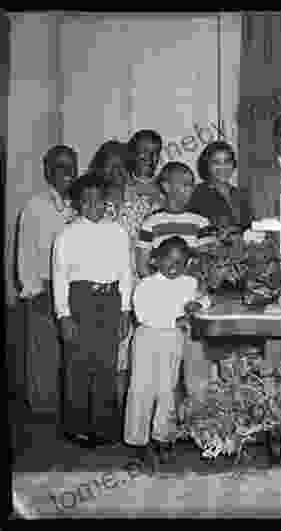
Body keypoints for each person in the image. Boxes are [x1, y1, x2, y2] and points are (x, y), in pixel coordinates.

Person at [52, 171, 133, 447]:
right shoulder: (66, 235)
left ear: (106, 202)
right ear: (77, 204)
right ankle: (76, 426)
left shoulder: (118, 231)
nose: (93, 207)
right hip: (80, 301)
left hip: (110, 301)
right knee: (77, 365)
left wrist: (124, 310)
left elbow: (126, 273)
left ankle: (103, 426)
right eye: (85, 202)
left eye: (98, 201)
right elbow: (60, 277)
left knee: (105, 365)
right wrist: (63, 315)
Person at [125, 236, 211, 470]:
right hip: (147, 339)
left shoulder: (189, 283)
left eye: (180, 262)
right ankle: (136, 443)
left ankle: (162, 438)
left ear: (187, 264)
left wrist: (199, 305)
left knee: (167, 391)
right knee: (141, 391)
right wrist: (177, 318)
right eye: (169, 260)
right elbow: (143, 315)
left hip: (173, 341)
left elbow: (204, 300)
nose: (174, 266)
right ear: (155, 260)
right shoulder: (146, 285)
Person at [90, 139, 162, 412]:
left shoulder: (145, 205)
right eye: (109, 168)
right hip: (104, 292)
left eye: (120, 167)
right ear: (100, 171)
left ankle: (138, 418)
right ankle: (116, 416)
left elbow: (156, 248)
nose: (115, 173)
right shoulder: (91, 208)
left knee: (140, 358)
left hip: (140, 290)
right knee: (112, 360)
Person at [136, 161, 217, 403]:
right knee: (165, 376)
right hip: (162, 310)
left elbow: (210, 268)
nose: (188, 190)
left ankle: (199, 425)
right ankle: (165, 429)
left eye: (191, 185)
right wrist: (165, 299)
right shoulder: (151, 222)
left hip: (191, 304)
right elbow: (143, 266)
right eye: (182, 185)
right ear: (165, 186)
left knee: (196, 370)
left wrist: (194, 298)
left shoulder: (202, 223)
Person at [17, 145, 78, 415]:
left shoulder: (81, 204)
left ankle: (69, 406)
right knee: (43, 352)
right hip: (44, 287)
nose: (66, 172)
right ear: (48, 171)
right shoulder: (35, 206)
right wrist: (32, 290)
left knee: (71, 352)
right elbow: (26, 252)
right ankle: (43, 409)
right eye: (59, 167)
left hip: (76, 289)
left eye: (71, 166)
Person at [187, 140, 252, 236]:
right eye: (216, 162)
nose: (223, 167)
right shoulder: (197, 194)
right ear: (207, 165)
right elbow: (193, 230)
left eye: (227, 161)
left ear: (233, 164)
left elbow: (249, 227)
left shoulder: (241, 195)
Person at [125, 129, 165, 208]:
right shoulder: (120, 187)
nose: (149, 157)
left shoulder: (166, 188)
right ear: (133, 153)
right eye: (144, 151)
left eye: (155, 152)